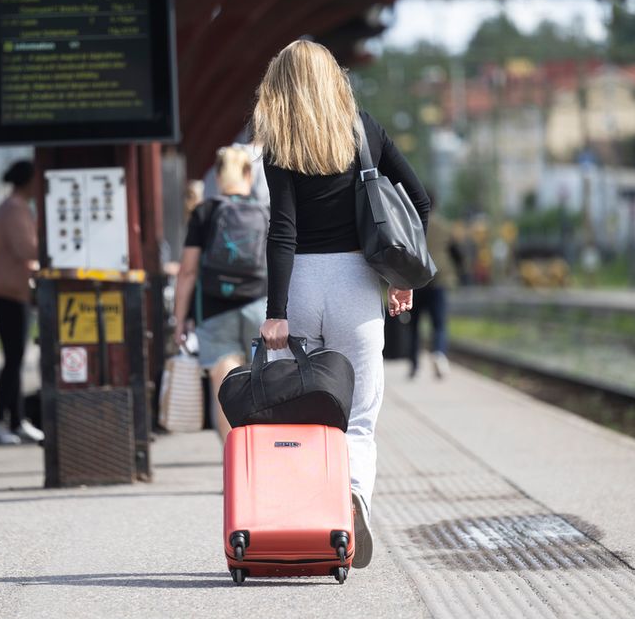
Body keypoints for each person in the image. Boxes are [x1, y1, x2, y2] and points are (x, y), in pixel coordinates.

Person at [254, 40, 429, 569]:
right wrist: (399, 279)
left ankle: (304, 522)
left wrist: (276, 312)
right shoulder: (365, 129)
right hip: (357, 282)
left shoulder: (277, 141)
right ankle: (352, 498)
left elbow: (281, 230)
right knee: (358, 419)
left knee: (298, 416)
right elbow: (418, 201)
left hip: (301, 282)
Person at [172, 147, 269, 441]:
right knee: (261, 385)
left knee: (225, 387)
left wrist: (179, 321)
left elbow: (188, 271)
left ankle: (233, 464)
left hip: (215, 310)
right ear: (248, 174)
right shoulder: (265, 212)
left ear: (217, 175)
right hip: (259, 304)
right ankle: (259, 458)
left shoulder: (205, 212)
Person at [0, 160, 45, 445]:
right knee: (13, 357)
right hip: (4, 290)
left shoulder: (13, 208)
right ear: (28, 182)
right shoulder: (15, 210)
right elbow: (26, 249)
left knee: (15, 357)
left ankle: (16, 421)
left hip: (7, 289)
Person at [408, 192, 458, 379]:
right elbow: (455, 252)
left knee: (414, 326)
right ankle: (438, 353)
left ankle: (414, 365)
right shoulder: (445, 226)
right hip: (440, 280)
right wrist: (460, 270)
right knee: (439, 324)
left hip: (416, 281)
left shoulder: (412, 225)